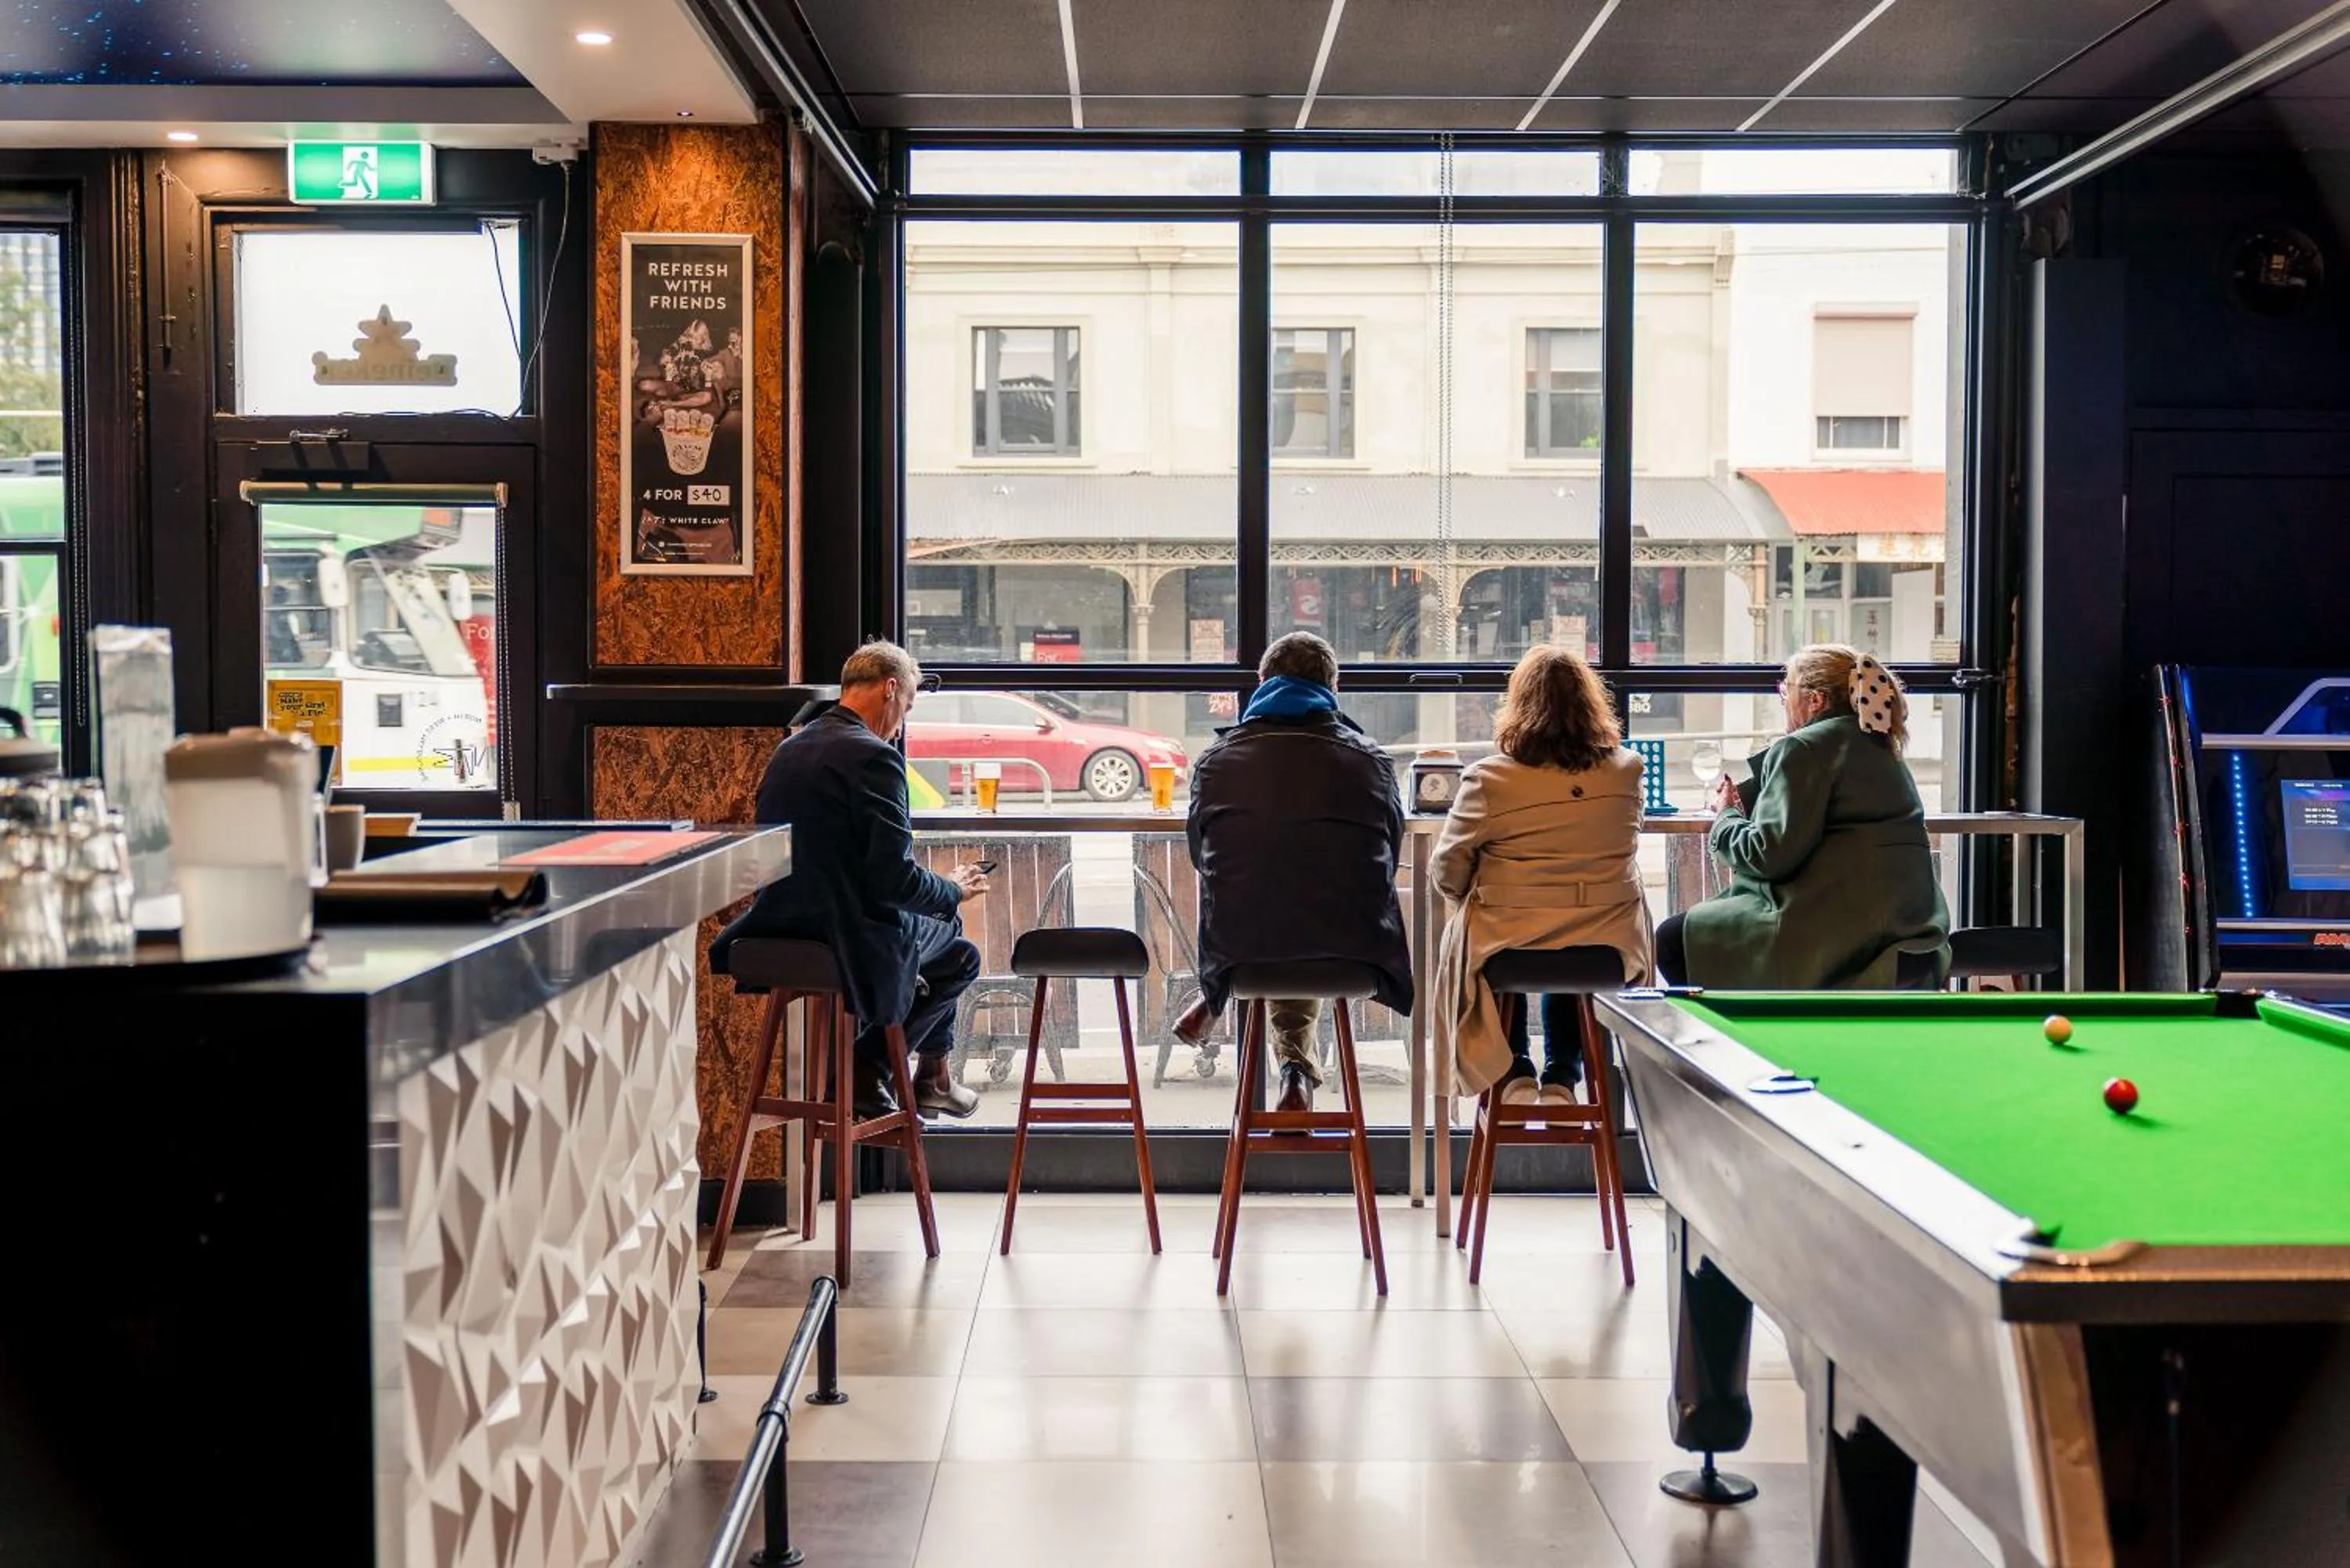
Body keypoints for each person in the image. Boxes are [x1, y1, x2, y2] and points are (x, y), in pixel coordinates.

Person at [711, 641, 989, 1119]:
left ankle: (926, 1076)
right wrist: (952, 891)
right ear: (890, 689)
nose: (901, 722)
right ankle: (876, 1066)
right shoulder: (874, 757)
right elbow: (893, 882)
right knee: (959, 948)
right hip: (843, 934)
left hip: (775, 925)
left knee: (943, 942)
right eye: (907, 706)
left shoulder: (791, 748)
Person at [1178, 632, 1413, 1113]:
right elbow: (1389, 850)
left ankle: (1225, 1006)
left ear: (1262, 682)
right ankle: (1295, 1068)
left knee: (1275, 916)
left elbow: (1201, 857)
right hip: (1358, 949)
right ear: (1334, 686)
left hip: (1241, 950)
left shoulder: (1216, 763)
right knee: (1310, 916)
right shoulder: (1372, 761)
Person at [1433, 645, 1653, 1105]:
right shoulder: (1627, 771)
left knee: (1487, 938)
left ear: (1519, 706)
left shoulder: (1488, 780)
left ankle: (1512, 1068)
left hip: (1509, 941)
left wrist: (1473, 892)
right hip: (1608, 948)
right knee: (1573, 938)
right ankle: (1562, 1076)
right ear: (1593, 704)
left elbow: (1446, 870)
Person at [1658, 643, 1947, 988]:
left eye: (1786, 690)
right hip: (1909, 928)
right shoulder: (1880, 744)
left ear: (1815, 699)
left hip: (1838, 931)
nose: (1783, 700)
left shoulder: (1802, 748)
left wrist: (1727, 816)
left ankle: (1751, 1038)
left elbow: (1768, 856)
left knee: (1675, 940)